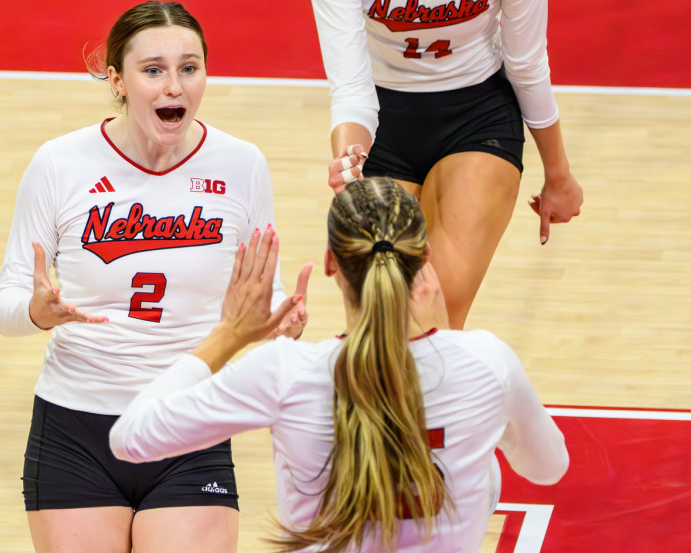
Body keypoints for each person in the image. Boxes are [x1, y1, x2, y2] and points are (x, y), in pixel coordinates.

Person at [0, 0, 309, 553]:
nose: (174, 87)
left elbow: (266, 291)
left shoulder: (242, 165)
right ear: (116, 79)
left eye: (189, 68)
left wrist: (278, 321)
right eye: (153, 70)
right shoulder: (59, 163)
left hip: (189, 425)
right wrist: (36, 313)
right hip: (76, 430)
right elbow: (8, 304)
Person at [111, 177, 569, 552]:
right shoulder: (487, 362)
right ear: (424, 258)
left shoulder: (283, 373)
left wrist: (229, 334)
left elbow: (130, 437)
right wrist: (444, 342)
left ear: (332, 263)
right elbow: (549, 467)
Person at [307, 0, 582, 328]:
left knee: (435, 319)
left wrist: (559, 174)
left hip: (477, 117)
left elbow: (527, 64)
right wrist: (350, 172)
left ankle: (442, 412)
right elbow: (350, 85)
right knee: (380, 319)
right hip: (383, 122)